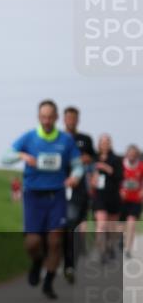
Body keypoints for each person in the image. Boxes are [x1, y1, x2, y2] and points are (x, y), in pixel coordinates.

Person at [3, 100, 83, 300]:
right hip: (33, 195)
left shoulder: (66, 140)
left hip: (57, 195)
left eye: (50, 117)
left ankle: (48, 281)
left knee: (55, 241)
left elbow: (78, 165)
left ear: (56, 118)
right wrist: (22, 155)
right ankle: (37, 262)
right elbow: (5, 157)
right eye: (43, 117)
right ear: (39, 117)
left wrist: (75, 177)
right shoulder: (29, 137)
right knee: (33, 243)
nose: (46, 121)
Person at [61, 106, 96, 284]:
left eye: (74, 118)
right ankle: (54, 260)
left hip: (79, 189)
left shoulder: (85, 139)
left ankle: (70, 265)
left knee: (72, 226)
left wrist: (87, 159)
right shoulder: (58, 138)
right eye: (68, 118)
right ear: (64, 119)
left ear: (78, 120)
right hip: (59, 186)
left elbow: (93, 159)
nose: (71, 121)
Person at [90, 134, 123, 263]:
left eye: (107, 142)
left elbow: (120, 177)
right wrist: (92, 179)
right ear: (99, 144)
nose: (104, 144)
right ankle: (101, 251)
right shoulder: (94, 158)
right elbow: (88, 174)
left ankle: (110, 248)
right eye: (102, 142)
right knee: (101, 225)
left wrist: (107, 168)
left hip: (113, 196)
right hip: (99, 196)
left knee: (111, 228)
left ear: (110, 144)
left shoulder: (116, 159)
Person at [120, 144, 141, 258]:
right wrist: (120, 190)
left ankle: (128, 249)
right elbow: (116, 180)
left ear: (137, 155)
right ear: (127, 154)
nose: (132, 156)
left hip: (135, 200)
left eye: (134, 154)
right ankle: (119, 243)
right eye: (130, 154)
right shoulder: (121, 165)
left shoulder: (141, 166)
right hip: (122, 201)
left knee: (131, 223)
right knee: (121, 225)